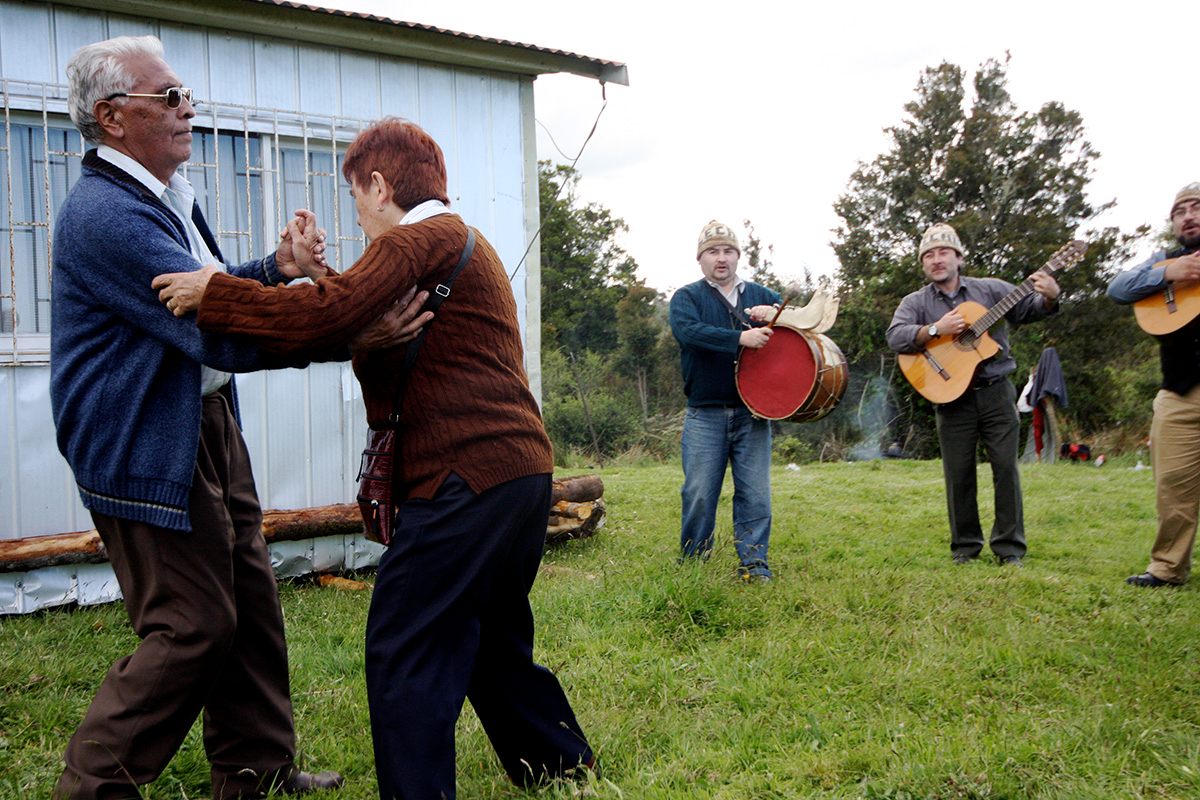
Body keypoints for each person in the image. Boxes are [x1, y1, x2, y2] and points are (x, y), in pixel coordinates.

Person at [152, 117, 595, 799]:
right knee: (491, 638)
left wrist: (216, 291)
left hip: (461, 479)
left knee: (405, 648)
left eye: (357, 198)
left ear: (381, 185)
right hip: (517, 475)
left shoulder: (416, 239)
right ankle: (562, 769)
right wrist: (322, 277)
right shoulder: (462, 241)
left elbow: (328, 317)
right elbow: (357, 311)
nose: (358, 218)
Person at [49, 35, 351, 799]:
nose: (189, 110)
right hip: (142, 437)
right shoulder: (106, 214)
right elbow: (213, 326)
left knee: (249, 601)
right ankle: (94, 787)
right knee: (193, 624)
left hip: (203, 420)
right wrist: (342, 323)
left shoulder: (163, 196)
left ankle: (258, 772)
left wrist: (275, 272)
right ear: (113, 117)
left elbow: (208, 289)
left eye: (188, 97)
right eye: (172, 97)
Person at [886, 223, 1061, 567]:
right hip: (950, 397)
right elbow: (895, 336)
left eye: (943, 252)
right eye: (929, 255)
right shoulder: (916, 302)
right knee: (959, 473)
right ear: (923, 263)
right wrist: (936, 329)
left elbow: (1028, 309)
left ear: (959, 257)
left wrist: (1051, 296)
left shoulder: (991, 290)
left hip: (996, 392)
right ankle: (965, 548)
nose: (937, 260)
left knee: (1006, 469)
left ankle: (1009, 549)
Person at [668, 220, 782, 581]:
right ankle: (694, 562)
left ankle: (754, 565)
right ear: (700, 259)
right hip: (705, 413)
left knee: (756, 495)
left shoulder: (763, 296)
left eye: (728, 251)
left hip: (754, 413)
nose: (721, 258)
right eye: (713, 252)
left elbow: (793, 336)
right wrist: (739, 339)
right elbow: (689, 333)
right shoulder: (687, 297)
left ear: (738, 256)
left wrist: (776, 316)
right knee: (700, 493)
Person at [1107, 182, 1200, 587]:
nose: (1189, 216)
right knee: (1172, 485)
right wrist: (1168, 272)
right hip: (1179, 390)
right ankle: (1167, 568)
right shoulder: (1165, 261)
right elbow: (1118, 287)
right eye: (1180, 210)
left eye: (1196, 207)